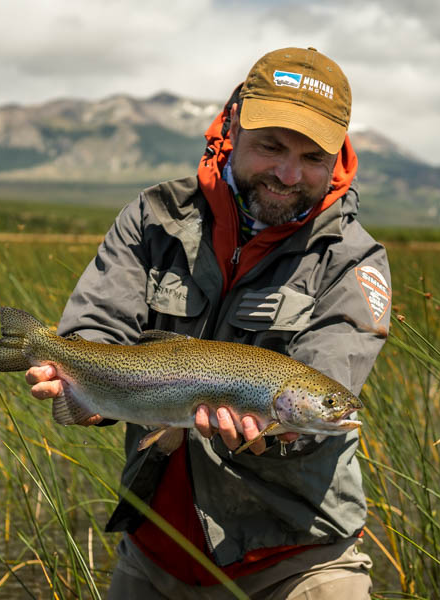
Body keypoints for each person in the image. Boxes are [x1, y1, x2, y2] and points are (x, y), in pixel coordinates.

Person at [26, 47, 392, 599]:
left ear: (339, 154)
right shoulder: (153, 217)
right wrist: (84, 389)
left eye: (312, 156)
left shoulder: (353, 261)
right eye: (271, 146)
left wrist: (280, 435)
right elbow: (96, 329)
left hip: (295, 560)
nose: (288, 173)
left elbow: (324, 390)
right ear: (232, 124)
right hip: (154, 552)